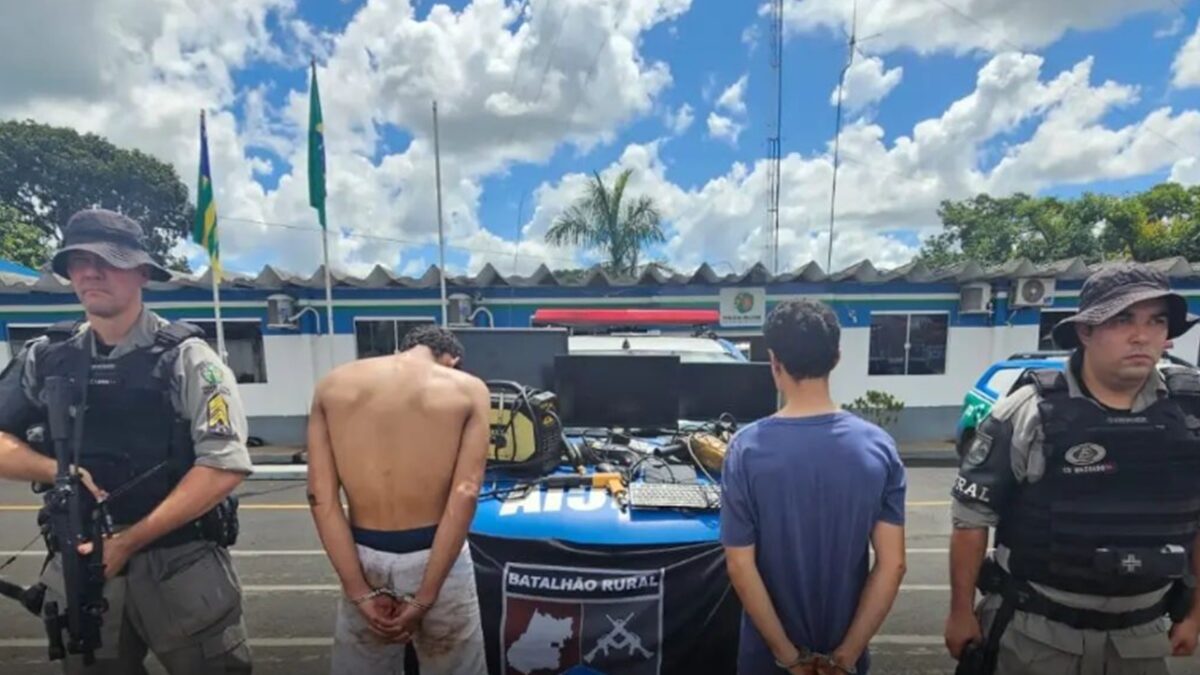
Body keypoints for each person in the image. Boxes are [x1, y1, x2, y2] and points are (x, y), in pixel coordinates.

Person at [0, 209, 253, 673]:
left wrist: (128, 542)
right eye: (79, 261)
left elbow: (223, 464)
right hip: (81, 562)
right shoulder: (46, 356)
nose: (91, 272)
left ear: (142, 273)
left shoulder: (188, 358)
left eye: (108, 261)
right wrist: (56, 471)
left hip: (180, 565)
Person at [945, 262, 1200, 674]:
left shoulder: (1190, 415)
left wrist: (1195, 613)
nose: (1141, 335)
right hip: (1037, 633)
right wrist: (960, 611)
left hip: (1142, 636)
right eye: (1122, 320)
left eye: (1156, 321)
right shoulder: (1029, 412)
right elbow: (971, 519)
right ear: (1085, 331)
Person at [720, 298, 908, 675]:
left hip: (767, 662)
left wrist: (789, 658)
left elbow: (740, 565)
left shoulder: (746, 450)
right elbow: (893, 564)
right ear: (836, 358)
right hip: (845, 661)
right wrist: (845, 657)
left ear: (774, 361)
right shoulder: (878, 447)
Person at [307, 324, 490, 675]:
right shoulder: (468, 389)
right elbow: (466, 493)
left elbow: (320, 496)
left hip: (363, 555)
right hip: (436, 554)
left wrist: (359, 592)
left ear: (402, 348)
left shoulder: (332, 385)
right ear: (452, 360)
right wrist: (425, 598)